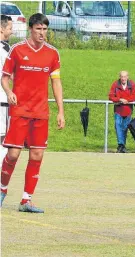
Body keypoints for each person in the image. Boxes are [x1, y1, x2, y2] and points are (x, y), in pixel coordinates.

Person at [0, 13, 65, 212]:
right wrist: (9, 91)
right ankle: (2, 190)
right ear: (31, 29)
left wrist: (60, 110)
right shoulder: (17, 50)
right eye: (38, 29)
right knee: (13, 154)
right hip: (19, 110)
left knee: (36, 155)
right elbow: (4, 77)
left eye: (45, 29)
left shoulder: (52, 54)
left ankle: (26, 200)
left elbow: (56, 82)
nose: (42, 33)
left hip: (41, 112)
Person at [108, 71, 135, 153]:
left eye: (125, 77)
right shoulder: (115, 84)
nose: (123, 78)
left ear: (127, 77)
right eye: (122, 77)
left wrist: (126, 100)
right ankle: (121, 145)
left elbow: (134, 96)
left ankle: (122, 146)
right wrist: (120, 99)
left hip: (128, 110)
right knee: (118, 127)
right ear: (119, 77)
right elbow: (111, 96)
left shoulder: (132, 84)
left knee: (125, 128)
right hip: (118, 110)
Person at [0, 15, 12, 171]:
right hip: (2, 99)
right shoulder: (6, 50)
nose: (12, 31)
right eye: (10, 28)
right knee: (3, 138)